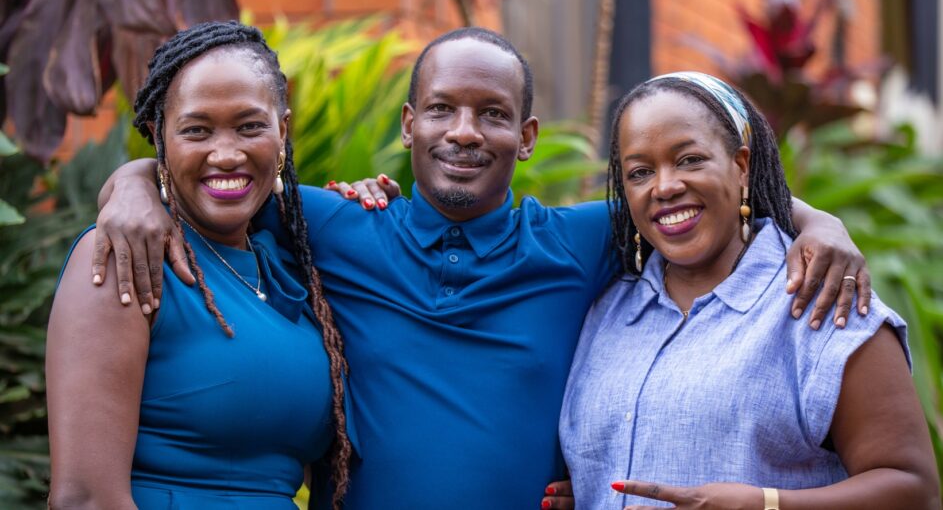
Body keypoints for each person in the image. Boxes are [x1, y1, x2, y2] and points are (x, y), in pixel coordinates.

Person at [91, 28, 871, 508]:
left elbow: (687, 194)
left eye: (492, 114)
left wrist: (817, 221)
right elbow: (217, 172)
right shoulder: (329, 225)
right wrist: (133, 183)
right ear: (408, 125)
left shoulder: (576, 243)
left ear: (526, 136)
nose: (464, 132)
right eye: (441, 109)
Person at [558, 72, 939, 509]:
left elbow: (915, 490)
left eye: (689, 160)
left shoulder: (822, 299)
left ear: (741, 166)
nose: (664, 186)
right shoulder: (605, 309)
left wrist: (768, 504)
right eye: (641, 172)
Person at [46, 22, 354, 509]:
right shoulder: (123, 254)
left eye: (250, 126)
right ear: (159, 136)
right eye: (196, 130)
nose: (226, 154)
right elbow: (85, 498)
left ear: (283, 130)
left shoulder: (291, 267)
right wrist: (132, 181)